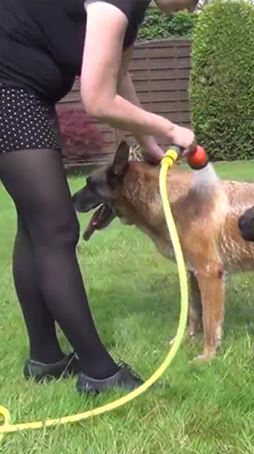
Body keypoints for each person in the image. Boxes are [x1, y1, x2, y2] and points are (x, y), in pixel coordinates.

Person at [0, 0, 199, 395]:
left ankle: (46, 359)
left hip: (25, 93)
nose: (197, 6)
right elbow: (97, 99)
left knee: (36, 226)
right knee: (56, 230)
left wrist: (149, 142)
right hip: (8, 91)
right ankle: (99, 372)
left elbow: (117, 80)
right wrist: (171, 128)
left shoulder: (133, 10)